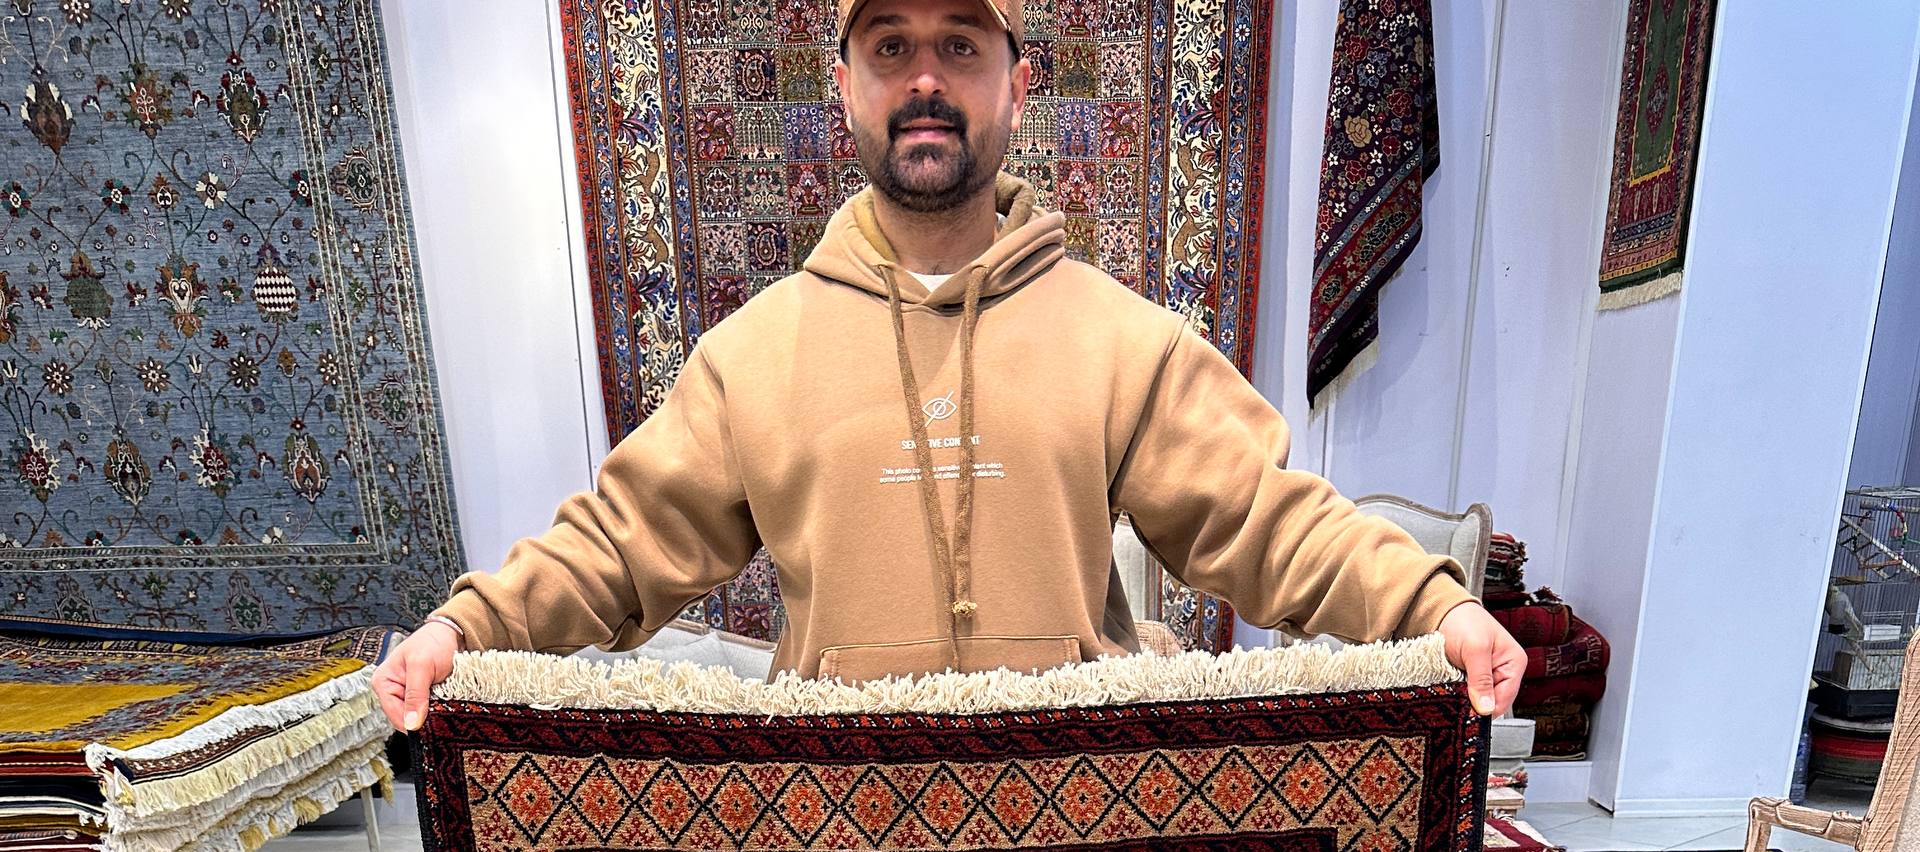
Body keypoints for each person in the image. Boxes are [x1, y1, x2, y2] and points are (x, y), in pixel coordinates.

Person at [372, 0, 1523, 728]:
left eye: (960, 47)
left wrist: (1435, 609)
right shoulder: (752, 357)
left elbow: (1269, 522)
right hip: (835, 847)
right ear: (845, 87)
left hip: (1075, 843)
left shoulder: (1120, 340)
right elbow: (620, 546)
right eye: (891, 48)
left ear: (1016, 84)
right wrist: (464, 632)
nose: (925, 78)